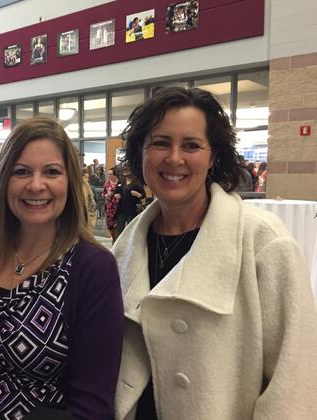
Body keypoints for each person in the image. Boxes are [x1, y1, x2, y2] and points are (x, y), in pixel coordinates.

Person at [112, 87, 317, 419]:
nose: (174, 158)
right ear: (141, 153)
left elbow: (294, 380)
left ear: (213, 157)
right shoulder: (124, 249)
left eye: (191, 145)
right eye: (160, 143)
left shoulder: (262, 242)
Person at [0, 117, 123, 419]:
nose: (36, 185)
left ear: (70, 181)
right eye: (22, 171)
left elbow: (92, 406)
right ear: (5, 179)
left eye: (51, 172)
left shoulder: (93, 269)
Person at [113, 172, 145, 238]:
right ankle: (119, 242)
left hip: (132, 209)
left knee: (131, 229)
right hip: (121, 209)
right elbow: (116, 192)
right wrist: (116, 195)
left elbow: (143, 195)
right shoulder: (121, 181)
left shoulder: (137, 182)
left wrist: (137, 194)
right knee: (119, 228)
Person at [102, 167, 121, 243]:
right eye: (108, 174)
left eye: (110, 174)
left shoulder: (120, 183)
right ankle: (114, 238)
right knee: (110, 225)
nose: (109, 175)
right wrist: (106, 195)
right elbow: (103, 194)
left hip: (119, 207)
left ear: (115, 175)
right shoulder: (107, 184)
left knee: (117, 225)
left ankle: (116, 241)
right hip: (109, 207)